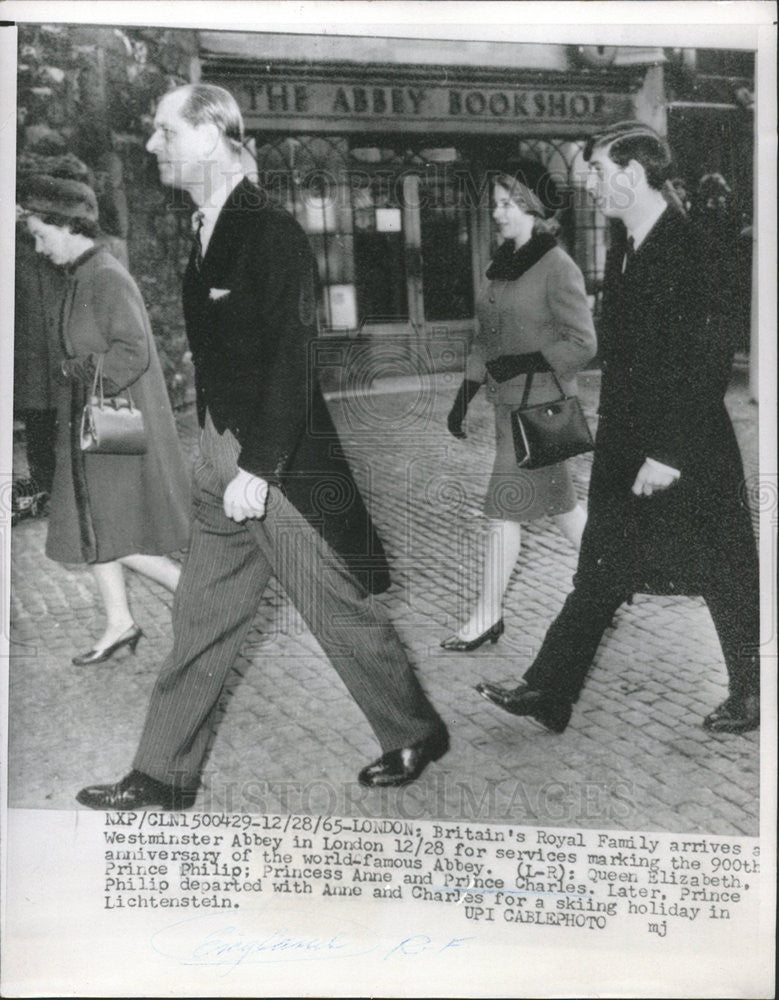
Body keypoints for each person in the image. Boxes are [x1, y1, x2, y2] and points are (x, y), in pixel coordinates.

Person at [76, 84, 447, 811]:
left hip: (269, 466)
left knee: (334, 605)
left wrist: (257, 466)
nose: (152, 146)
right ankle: (162, 773)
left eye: (163, 132)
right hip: (223, 454)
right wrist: (217, 452)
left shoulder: (270, 230)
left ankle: (413, 729)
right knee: (202, 614)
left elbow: (292, 356)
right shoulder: (207, 224)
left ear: (209, 136)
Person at [476, 121, 760, 734]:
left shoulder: (690, 246)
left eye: (600, 175)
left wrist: (669, 453)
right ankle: (549, 691)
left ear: (632, 175)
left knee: (725, 572)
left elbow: (706, 358)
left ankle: (752, 692)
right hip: (630, 439)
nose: (595, 189)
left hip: (682, 446)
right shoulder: (629, 246)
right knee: (600, 569)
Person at [19, 174, 189, 665]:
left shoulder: (105, 277)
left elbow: (131, 350)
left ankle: (199, 597)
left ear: (67, 226)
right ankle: (119, 622)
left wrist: (79, 370)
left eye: (40, 234)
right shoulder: (81, 275)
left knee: (103, 526)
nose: (37, 245)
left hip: (112, 423)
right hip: (92, 421)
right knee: (93, 523)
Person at [441, 165, 596, 650]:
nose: (496, 211)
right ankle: (611, 583)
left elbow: (584, 342)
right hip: (511, 410)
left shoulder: (558, 266)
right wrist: (462, 398)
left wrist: (528, 360)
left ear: (532, 207)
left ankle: (488, 614)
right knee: (566, 509)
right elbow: (486, 340)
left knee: (503, 510)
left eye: (506, 203)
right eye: (496, 202)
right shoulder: (502, 264)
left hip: (540, 409)